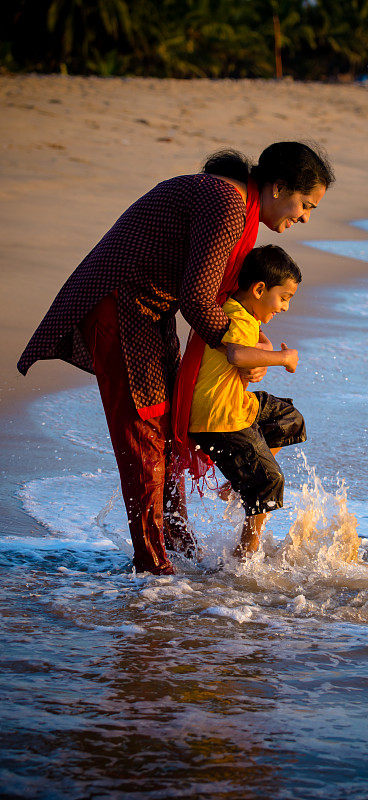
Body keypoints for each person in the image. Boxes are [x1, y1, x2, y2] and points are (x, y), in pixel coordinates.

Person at [17, 143, 334, 575]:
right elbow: (199, 299)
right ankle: (154, 570)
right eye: (305, 205)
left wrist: (254, 342)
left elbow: (222, 297)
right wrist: (241, 351)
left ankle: (177, 550)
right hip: (122, 306)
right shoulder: (228, 203)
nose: (304, 217)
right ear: (278, 188)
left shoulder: (239, 206)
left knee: (165, 431)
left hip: (150, 312)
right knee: (146, 431)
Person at [190, 245, 306, 558]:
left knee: (289, 418)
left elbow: (254, 343)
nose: (284, 307)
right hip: (220, 418)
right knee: (270, 480)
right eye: (283, 298)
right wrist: (282, 358)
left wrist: (265, 356)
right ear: (258, 289)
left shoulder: (240, 312)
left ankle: (238, 481)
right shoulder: (238, 319)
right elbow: (238, 354)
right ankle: (245, 555)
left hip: (234, 405)